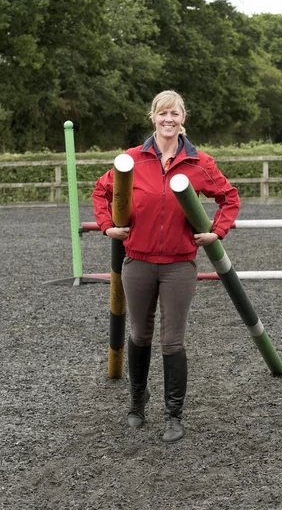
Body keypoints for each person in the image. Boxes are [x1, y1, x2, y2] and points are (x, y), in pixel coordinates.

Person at [92, 90, 240, 443]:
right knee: (140, 335)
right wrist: (106, 226)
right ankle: (137, 403)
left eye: (175, 113)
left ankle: (173, 413)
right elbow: (100, 192)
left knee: (172, 340)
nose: (168, 119)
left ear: (183, 118)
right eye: (162, 114)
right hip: (138, 263)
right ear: (153, 117)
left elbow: (229, 197)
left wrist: (216, 231)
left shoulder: (199, 162)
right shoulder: (130, 159)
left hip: (179, 266)